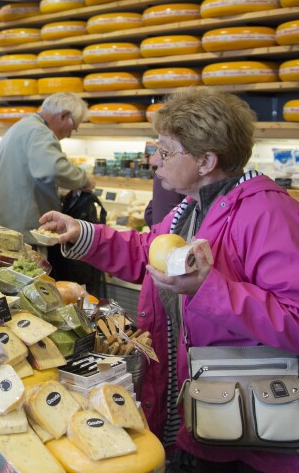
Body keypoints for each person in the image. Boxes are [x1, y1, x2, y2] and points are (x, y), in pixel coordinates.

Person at [40, 86, 299, 472]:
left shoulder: (267, 213)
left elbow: (293, 319)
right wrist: (81, 231)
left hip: (249, 425)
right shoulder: (192, 210)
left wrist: (207, 289)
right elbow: (148, 252)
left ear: (207, 160)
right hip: (202, 409)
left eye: (165, 151)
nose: (153, 161)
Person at [0, 92, 93, 248]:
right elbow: (53, 169)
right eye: (73, 127)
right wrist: (83, 179)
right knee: (27, 271)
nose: (69, 135)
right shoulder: (40, 132)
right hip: (21, 234)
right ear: (63, 116)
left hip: (3, 227)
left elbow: (25, 178)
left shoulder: (22, 126)